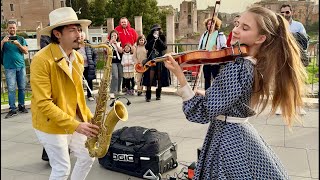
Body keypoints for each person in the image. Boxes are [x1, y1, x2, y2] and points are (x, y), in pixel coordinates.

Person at [164, 6, 307, 179]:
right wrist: (208, 95)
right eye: (237, 24)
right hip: (241, 132)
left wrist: (181, 78)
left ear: (261, 38)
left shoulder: (238, 68)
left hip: (227, 139)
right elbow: (236, 100)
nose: (236, 30)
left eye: (245, 28)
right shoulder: (257, 64)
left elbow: (200, 113)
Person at [30, 7, 99, 180]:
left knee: (87, 156)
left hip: (72, 119)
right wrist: (77, 125)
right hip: (50, 123)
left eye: (79, 29)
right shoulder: (41, 60)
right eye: (72, 30)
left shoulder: (78, 57)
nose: (79, 34)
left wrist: (88, 117)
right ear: (57, 34)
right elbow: (44, 103)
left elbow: (77, 95)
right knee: (62, 169)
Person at [1, 20, 29, 119]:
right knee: (11, 89)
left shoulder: (21, 39)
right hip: (9, 67)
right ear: (7, 29)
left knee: (22, 87)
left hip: (21, 67)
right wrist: (3, 42)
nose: (12, 29)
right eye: (10, 27)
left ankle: (21, 106)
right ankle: (12, 109)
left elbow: (26, 51)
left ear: (16, 28)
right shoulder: (3, 39)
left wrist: (18, 45)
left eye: (13, 27)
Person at [142, 24, 170, 102]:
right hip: (151, 58)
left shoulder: (162, 37)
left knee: (160, 76)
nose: (156, 31)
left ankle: (158, 94)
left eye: (157, 29)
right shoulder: (149, 36)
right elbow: (147, 46)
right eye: (154, 30)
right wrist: (153, 40)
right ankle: (148, 95)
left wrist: (158, 39)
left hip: (160, 58)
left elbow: (164, 47)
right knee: (150, 76)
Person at [198, 17, 227, 90]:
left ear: (215, 25)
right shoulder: (204, 34)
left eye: (211, 24)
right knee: (207, 78)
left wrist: (218, 49)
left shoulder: (220, 34)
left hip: (215, 60)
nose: (209, 25)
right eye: (208, 24)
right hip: (206, 59)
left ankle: (218, 94)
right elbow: (200, 46)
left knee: (216, 78)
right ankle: (207, 94)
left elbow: (224, 47)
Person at [78, 30, 97, 101]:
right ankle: (80, 96)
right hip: (78, 67)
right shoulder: (75, 45)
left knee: (89, 81)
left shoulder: (89, 45)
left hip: (88, 66)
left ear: (85, 37)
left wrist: (94, 63)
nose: (81, 38)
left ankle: (89, 95)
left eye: (82, 36)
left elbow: (95, 54)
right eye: (80, 37)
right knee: (78, 82)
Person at [107, 30, 123, 99]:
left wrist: (116, 44)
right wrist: (110, 43)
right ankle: (112, 92)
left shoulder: (119, 43)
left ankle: (118, 90)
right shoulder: (108, 43)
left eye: (115, 35)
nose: (114, 37)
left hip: (119, 61)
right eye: (112, 35)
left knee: (120, 76)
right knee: (115, 76)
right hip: (113, 61)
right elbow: (107, 51)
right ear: (110, 36)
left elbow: (121, 51)